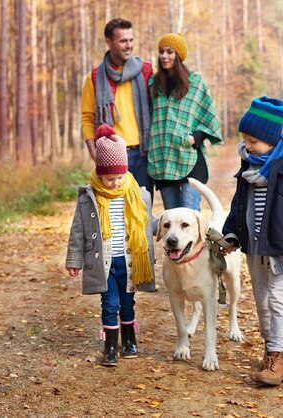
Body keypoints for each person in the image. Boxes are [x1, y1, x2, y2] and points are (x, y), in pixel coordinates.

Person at [222, 96, 283, 385]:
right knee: (262, 301)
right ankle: (269, 348)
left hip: (282, 248)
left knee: (277, 300)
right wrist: (231, 235)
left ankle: (278, 356)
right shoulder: (248, 166)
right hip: (254, 247)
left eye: (252, 141)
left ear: (270, 139)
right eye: (245, 140)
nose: (247, 146)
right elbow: (239, 204)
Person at [66, 124, 156, 367]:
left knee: (127, 304)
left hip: (128, 261)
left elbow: (149, 224)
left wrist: (169, 232)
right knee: (110, 304)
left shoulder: (137, 195)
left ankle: (129, 341)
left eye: (119, 177)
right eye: (109, 178)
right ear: (99, 173)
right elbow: (78, 231)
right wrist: (74, 261)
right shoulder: (89, 198)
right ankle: (110, 347)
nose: (115, 183)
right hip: (103, 263)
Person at [147, 33, 223, 211]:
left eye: (169, 52)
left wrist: (194, 138)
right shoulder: (153, 84)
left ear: (178, 55)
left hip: (190, 157)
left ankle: (196, 241)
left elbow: (208, 117)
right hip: (163, 157)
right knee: (172, 218)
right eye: (161, 52)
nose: (164, 56)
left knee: (190, 215)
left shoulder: (195, 83)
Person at [80, 18, 154, 200]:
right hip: (111, 155)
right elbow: (88, 118)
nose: (129, 45)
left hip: (144, 152)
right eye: (123, 41)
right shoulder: (95, 77)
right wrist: (94, 152)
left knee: (143, 208)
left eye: (131, 40)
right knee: (116, 211)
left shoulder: (146, 71)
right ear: (109, 42)